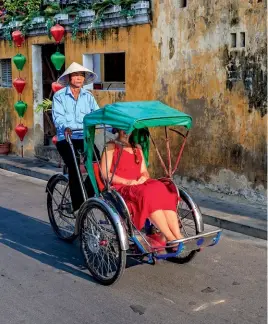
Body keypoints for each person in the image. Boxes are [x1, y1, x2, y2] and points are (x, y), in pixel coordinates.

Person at [100, 129, 183, 244]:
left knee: (161, 188)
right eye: (123, 129)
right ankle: (170, 237)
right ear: (118, 129)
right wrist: (128, 182)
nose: (126, 132)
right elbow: (105, 174)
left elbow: (144, 171)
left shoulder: (137, 147)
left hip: (140, 184)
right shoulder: (110, 147)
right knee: (147, 195)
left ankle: (178, 236)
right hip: (122, 187)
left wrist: (144, 177)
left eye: (129, 129)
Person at [52, 62, 100, 215]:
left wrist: (112, 126)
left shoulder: (88, 96)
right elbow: (58, 117)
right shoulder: (59, 96)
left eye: (81, 75)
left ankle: (85, 195)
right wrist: (65, 127)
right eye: (76, 75)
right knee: (74, 167)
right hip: (66, 138)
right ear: (69, 78)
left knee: (99, 167)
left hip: (84, 137)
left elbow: (97, 114)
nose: (79, 78)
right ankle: (78, 208)